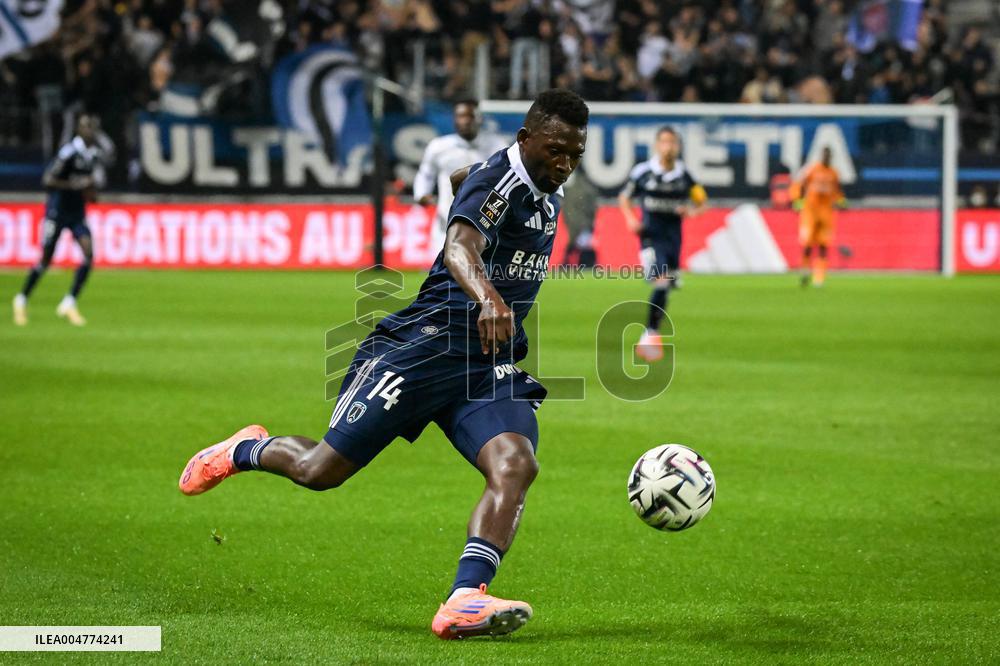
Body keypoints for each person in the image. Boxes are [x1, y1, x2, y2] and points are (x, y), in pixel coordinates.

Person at [178, 89, 590, 640]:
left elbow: (460, 180)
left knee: (516, 465)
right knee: (321, 471)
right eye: (556, 150)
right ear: (525, 139)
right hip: (423, 349)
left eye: (575, 155)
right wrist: (489, 298)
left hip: (484, 363)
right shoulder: (503, 182)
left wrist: (470, 181)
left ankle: (464, 598)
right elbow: (460, 249)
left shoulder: (534, 185)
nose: (564, 165)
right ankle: (242, 450)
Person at [618, 126, 706, 362]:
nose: (669, 147)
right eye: (665, 142)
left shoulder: (683, 175)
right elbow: (624, 196)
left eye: (673, 142)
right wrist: (630, 219)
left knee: (668, 283)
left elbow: (701, 199)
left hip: (673, 236)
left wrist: (692, 210)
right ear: (657, 145)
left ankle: (652, 332)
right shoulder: (644, 172)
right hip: (650, 235)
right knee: (662, 280)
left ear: (678, 146)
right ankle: (649, 334)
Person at [13, 114, 105, 327]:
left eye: (94, 128)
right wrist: (74, 185)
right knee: (45, 260)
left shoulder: (93, 155)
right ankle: (22, 299)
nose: (92, 132)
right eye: (88, 128)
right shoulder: (69, 153)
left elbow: (89, 187)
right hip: (57, 212)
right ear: (80, 130)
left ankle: (69, 302)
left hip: (77, 214)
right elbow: (48, 179)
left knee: (89, 254)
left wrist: (91, 193)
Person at [413, 99, 508, 252]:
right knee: (443, 271)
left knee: (479, 272)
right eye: (460, 116)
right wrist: (422, 194)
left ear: (479, 118)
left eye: (470, 116)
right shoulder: (439, 147)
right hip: (446, 220)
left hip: (485, 222)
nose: (465, 121)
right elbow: (426, 174)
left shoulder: (497, 147)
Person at [790, 147, 846, 287]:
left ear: (831, 157)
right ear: (821, 156)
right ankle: (804, 272)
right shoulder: (813, 169)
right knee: (808, 243)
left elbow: (837, 189)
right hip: (810, 211)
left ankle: (819, 278)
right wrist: (799, 200)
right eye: (824, 155)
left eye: (828, 155)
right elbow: (802, 184)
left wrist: (840, 201)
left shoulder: (833, 173)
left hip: (826, 213)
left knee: (823, 245)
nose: (826, 158)